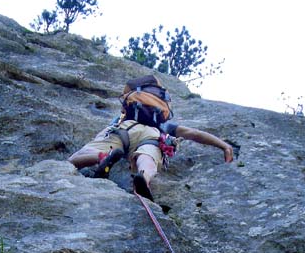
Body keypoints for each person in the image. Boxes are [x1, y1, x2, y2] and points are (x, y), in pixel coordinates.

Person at [68, 85, 234, 201]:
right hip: (151, 135)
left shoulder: (125, 115)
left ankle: (102, 156)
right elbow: (194, 134)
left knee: (78, 157)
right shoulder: (162, 125)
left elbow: (111, 127)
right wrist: (224, 145)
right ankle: (143, 178)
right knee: (148, 157)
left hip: (123, 128)